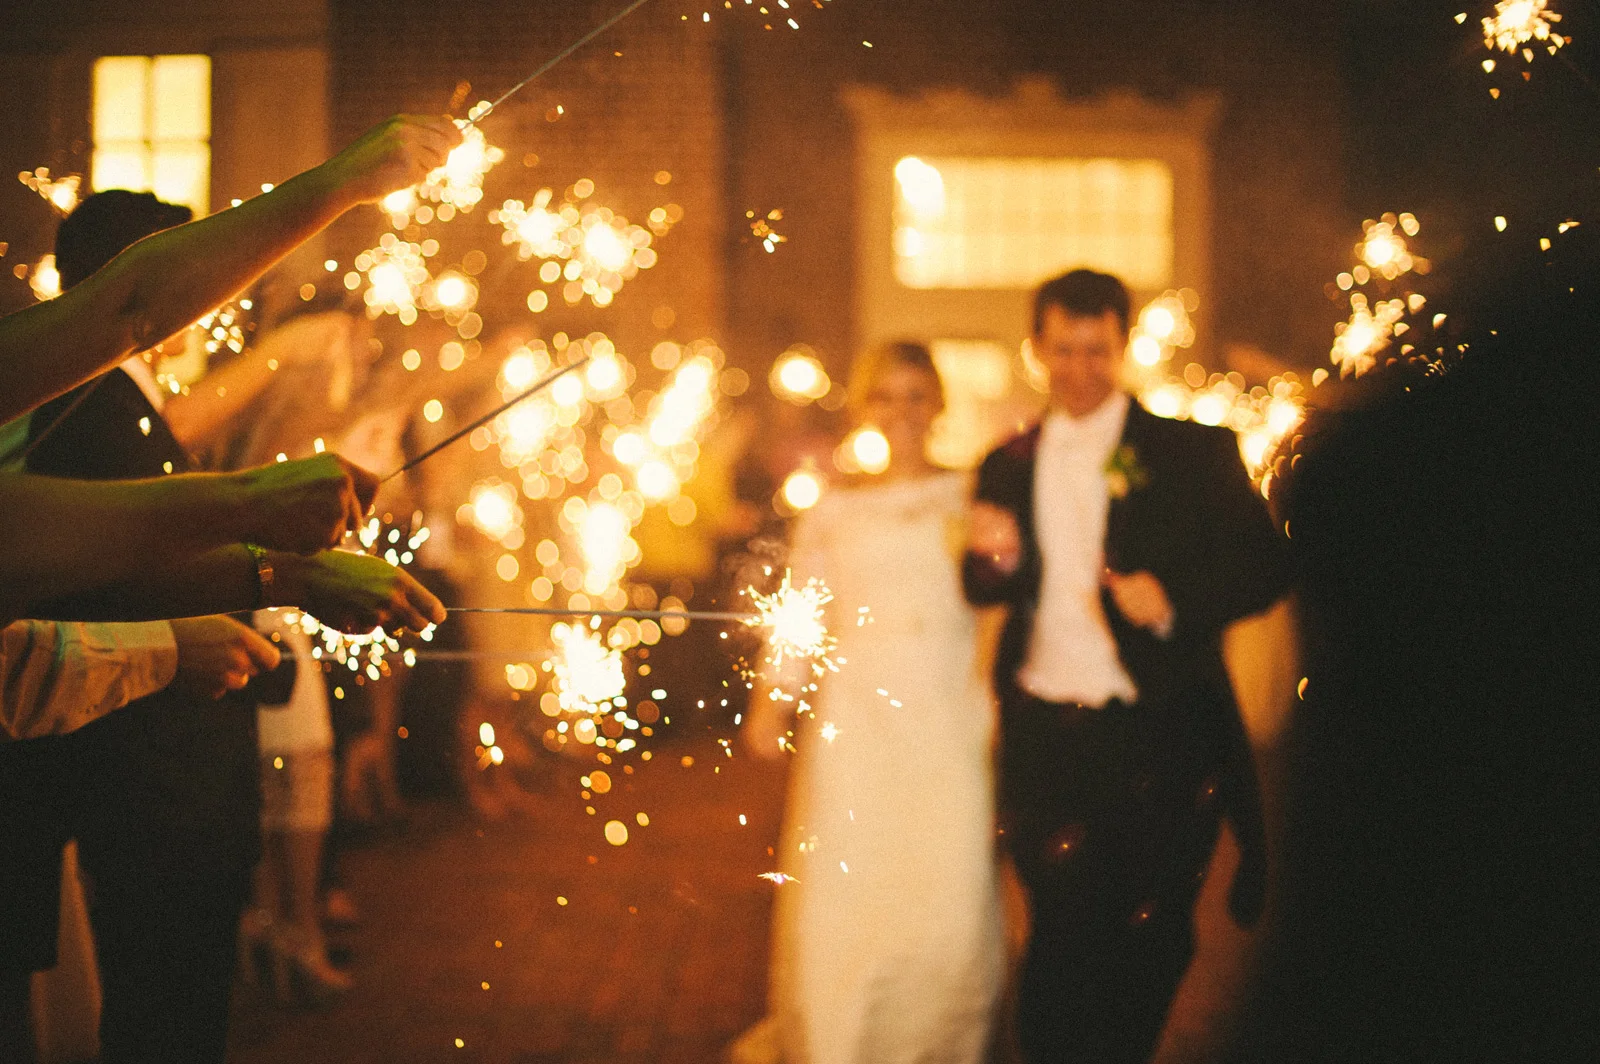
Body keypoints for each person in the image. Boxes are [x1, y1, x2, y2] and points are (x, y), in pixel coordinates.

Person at [963, 269, 1290, 1064]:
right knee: (1062, 935)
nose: (1080, 370)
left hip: (1162, 740)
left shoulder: (1192, 452)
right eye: (1064, 351)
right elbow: (982, 583)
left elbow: (1265, 566)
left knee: (1154, 937)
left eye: (1097, 351)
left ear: (1123, 346)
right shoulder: (1004, 462)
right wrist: (991, 560)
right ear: (1037, 349)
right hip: (1047, 735)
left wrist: (1173, 597)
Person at [737, 343, 1004, 1064]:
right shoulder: (832, 507)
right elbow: (802, 613)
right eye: (886, 396)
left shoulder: (975, 492)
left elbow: (996, 609)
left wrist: (990, 699)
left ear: (939, 404)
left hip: (949, 710)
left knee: (946, 888)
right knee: (849, 889)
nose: (903, 411)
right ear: (865, 408)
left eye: (917, 394)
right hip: (857, 719)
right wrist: (775, 701)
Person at [0, 114, 460, 424]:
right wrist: (344, 180)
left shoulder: (108, 392)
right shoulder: (90, 400)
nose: (207, 299)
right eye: (192, 268)